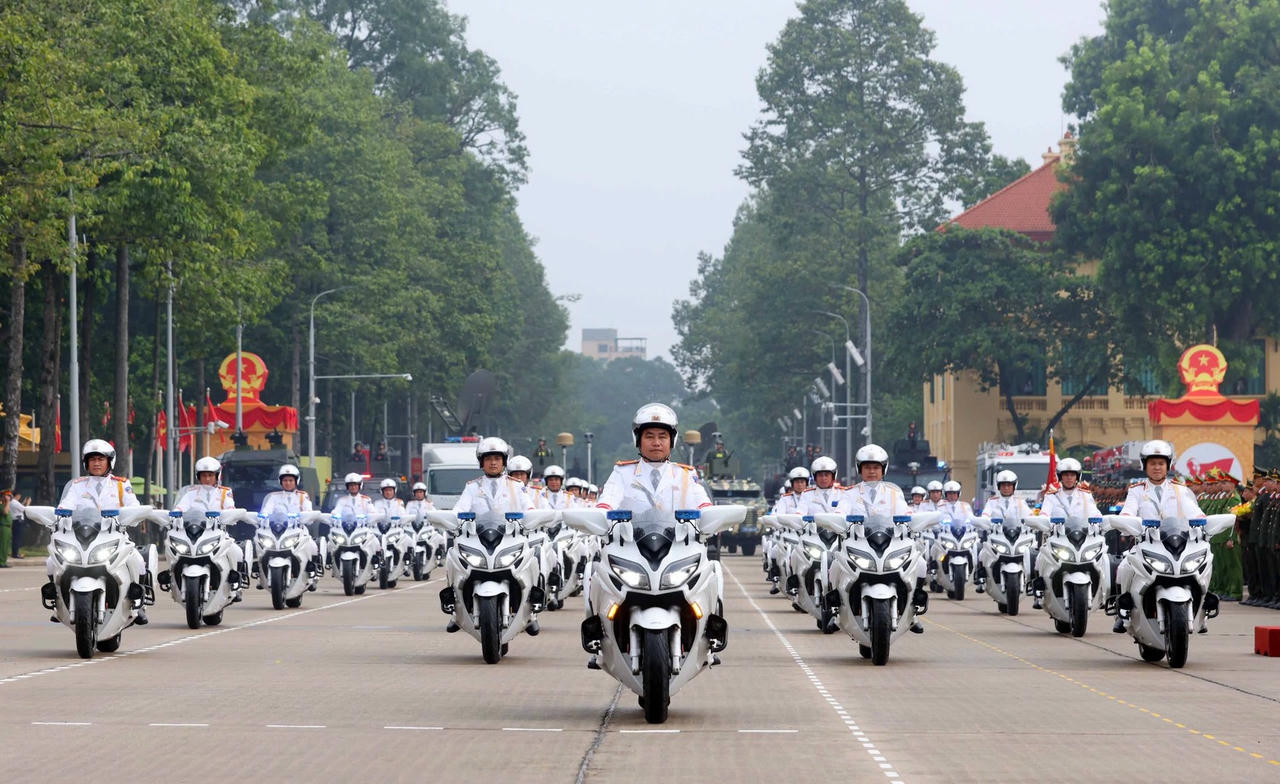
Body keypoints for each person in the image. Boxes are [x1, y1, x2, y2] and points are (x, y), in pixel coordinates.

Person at [1113, 439, 1207, 632]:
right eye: (1153, 463)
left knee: (1203, 566)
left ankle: (1204, 611)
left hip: (1176, 542)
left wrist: (1202, 522)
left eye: (1161, 463)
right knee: (1123, 568)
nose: (1157, 467)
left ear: (1168, 465)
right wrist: (1127, 522)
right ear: (1145, 465)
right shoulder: (1136, 491)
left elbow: (1195, 512)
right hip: (1145, 542)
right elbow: (1128, 512)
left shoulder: (1180, 490)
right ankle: (1122, 613)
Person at [56, 439, 149, 623]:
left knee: (138, 561)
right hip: (81, 536)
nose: (96, 463)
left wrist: (133, 515)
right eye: (92, 460)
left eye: (101, 459)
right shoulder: (77, 485)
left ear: (109, 462)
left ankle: (139, 604)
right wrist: (60, 516)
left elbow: (134, 506)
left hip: (115, 536)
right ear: (86, 463)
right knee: (52, 562)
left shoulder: (121, 484)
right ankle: (57, 603)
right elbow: (64, 506)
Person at [844, 444, 926, 632]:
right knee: (832, 564)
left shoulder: (893, 492)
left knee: (920, 563)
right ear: (860, 469)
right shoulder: (849, 494)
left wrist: (914, 522)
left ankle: (912, 612)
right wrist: (836, 521)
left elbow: (906, 514)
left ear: (883, 469)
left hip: (889, 542)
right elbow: (839, 514)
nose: (871, 471)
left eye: (876, 467)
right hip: (859, 542)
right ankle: (835, 610)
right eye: (867, 467)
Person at [595, 404, 711, 513]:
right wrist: (600, 514)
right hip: (630, 535)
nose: (656, 443)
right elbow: (605, 506)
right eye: (649, 437)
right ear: (638, 440)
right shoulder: (622, 473)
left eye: (662, 437)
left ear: (672, 440)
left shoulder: (686, 475)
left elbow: (704, 508)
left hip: (678, 535)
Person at [453, 437, 532, 515]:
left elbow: (529, 509)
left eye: (497, 459)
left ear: (504, 462)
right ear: (481, 462)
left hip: (511, 527)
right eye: (488, 459)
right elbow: (459, 510)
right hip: (479, 527)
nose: (493, 462)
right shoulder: (472, 487)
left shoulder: (517, 485)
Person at [4, 489, 25, 560]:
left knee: (15, 538)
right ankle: (15, 553)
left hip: (15, 521)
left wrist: (24, 503)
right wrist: (27, 503)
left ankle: (14, 553)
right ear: (17, 495)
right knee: (17, 538)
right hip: (17, 521)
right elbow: (23, 509)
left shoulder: (12, 502)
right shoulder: (15, 502)